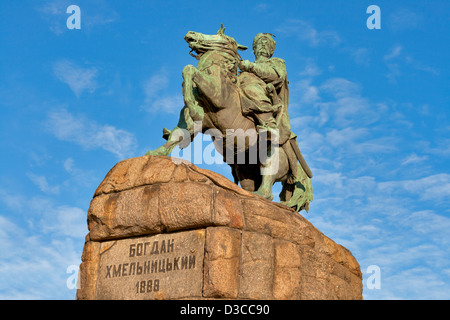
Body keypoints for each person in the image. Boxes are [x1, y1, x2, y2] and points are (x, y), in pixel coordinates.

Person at [239, 33, 299, 184]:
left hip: (266, 104)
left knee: (252, 88)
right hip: (245, 106)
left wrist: (250, 67)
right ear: (253, 48)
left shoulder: (276, 63)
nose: (263, 45)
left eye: (267, 44)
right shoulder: (243, 69)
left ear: (272, 50)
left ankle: (269, 126)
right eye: (259, 43)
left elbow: (276, 77)